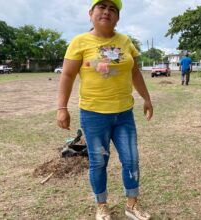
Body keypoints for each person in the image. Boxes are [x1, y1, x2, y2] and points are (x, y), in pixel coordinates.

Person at [56, 0, 153, 219]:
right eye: (102, 7)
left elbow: (135, 72)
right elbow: (67, 75)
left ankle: (132, 204)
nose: (107, 12)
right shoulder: (79, 42)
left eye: (113, 9)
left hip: (124, 114)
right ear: (91, 13)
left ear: (117, 17)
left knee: (131, 159)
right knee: (99, 161)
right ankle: (101, 205)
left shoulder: (125, 41)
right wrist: (62, 107)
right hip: (93, 115)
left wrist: (146, 98)